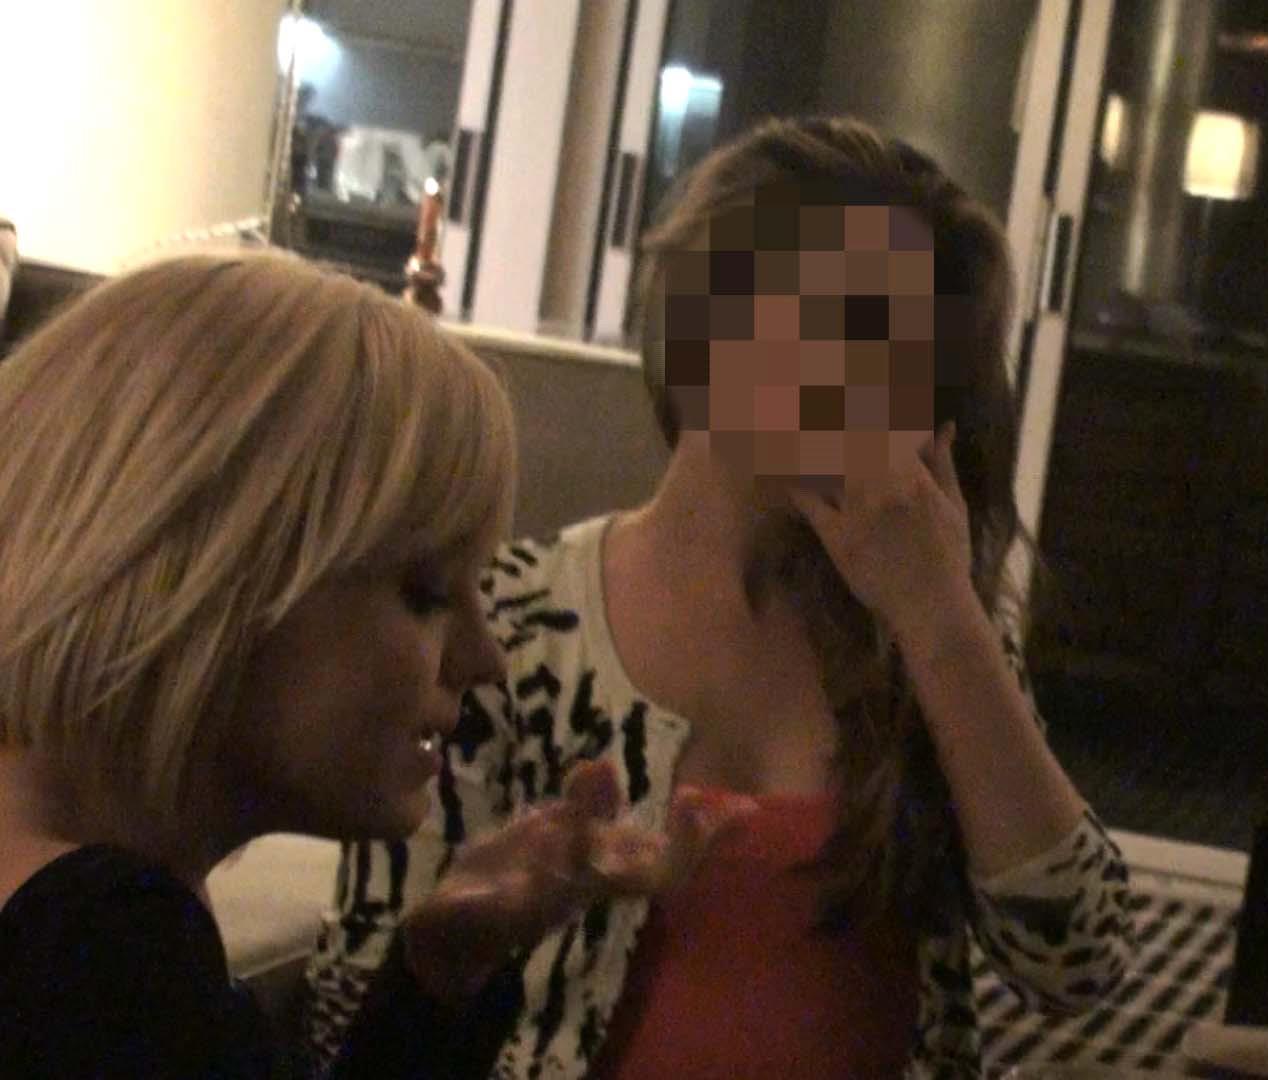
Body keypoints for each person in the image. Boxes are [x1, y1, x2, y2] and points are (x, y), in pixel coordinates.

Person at [305, 116, 1137, 1079]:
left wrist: (944, 620)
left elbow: (1077, 965)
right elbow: (360, 1013)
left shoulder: (927, 628)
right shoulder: (506, 629)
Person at [0, 253, 748, 1078]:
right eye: (427, 594)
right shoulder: (101, 960)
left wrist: (437, 977)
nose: (486, 658)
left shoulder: (81, 907)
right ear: (217, 578)